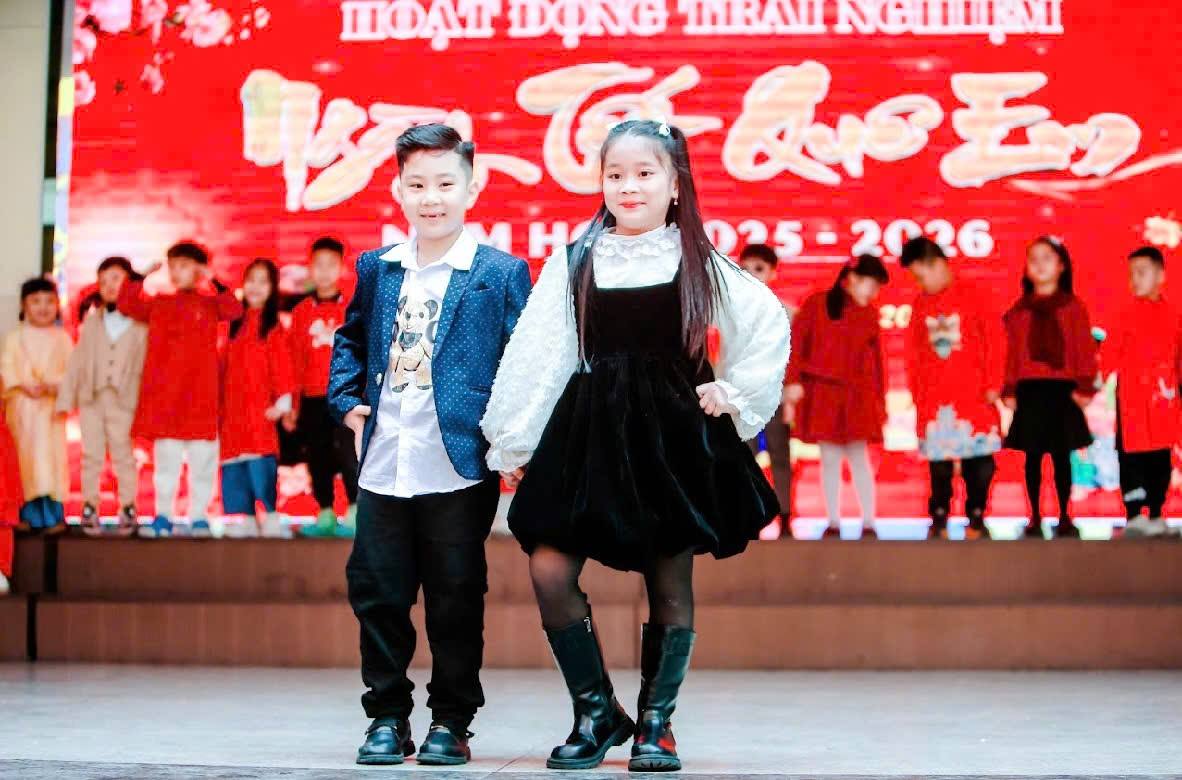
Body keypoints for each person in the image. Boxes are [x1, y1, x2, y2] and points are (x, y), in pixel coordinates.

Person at [482, 119, 790, 772]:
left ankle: (657, 723)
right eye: (615, 174)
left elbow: (765, 321)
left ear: (675, 184)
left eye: (645, 173)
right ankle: (597, 712)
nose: (630, 186)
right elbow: (541, 353)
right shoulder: (576, 259)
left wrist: (734, 391)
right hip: (589, 430)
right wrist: (517, 439)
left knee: (668, 575)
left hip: (671, 435)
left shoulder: (698, 259)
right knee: (549, 566)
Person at [328, 124, 531, 767]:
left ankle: (451, 720)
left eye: (445, 183)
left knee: (455, 595)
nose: (431, 198)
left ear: (472, 187)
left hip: (458, 462)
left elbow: (522, 364)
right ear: (398, 189)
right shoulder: (378, 266)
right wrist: (346, 400)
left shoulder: (499, 272)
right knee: (377, 593)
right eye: (417, 185)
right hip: (384, 460)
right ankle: (386, 717)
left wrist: (515, 443)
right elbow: (350, 339)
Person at [118, 241, 244, 538]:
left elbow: (234, 309)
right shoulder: (160, 304)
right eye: (173, 266)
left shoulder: (210, 304)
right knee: (166, 467)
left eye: (184, 266)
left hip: (201, 399)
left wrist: (212, 279)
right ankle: (163, 516)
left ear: (199, 270)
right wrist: (141, 275)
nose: (176, 272)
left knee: (203, 465)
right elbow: (127, 304)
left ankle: (198, 517)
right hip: (167, 400)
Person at [900, 237, 1003, 540]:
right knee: (939, 465)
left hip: (974, 394)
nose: (921, 284)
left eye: (921, 276)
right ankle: (939, 517)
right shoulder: (920, 304)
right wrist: (916, 392)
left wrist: (994, 382)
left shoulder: (975, 295)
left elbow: (995, 340)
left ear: (938, 264)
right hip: (935, 399)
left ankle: (976, 517)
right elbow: (914, 353)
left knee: (979, 461)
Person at [783, 255, 887, 539]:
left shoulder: (870, 313)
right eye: (872, 285)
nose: (874, 293)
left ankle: (869, 522)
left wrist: (881, 401)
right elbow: (796, 346)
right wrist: (792, 382)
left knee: (859, 459)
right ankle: (833, 521)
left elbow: (878, 363)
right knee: (829, 459)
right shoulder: (816, 305)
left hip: (858, 396)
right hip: (824, 394)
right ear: (851, 279)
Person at [1002, 236, 1097, 540]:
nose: (1040, 265)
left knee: (1061, 456)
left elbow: (1084, 349)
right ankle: (1034, 517)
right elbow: (1011, 353)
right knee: (1032, 457)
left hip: (1062, 390)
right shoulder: (1018, 311)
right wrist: (1009, 388)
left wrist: (1085, 385)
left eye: (1047, 258)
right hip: (1030, 389)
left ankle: (1065, 516)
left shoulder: (1073, 307)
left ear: (1061, 266)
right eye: (1033, 259)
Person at [57, 257, 148, 537]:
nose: (109, 286)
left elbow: (147, 365)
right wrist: (65, 399)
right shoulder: (93, 322)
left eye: (116, 279)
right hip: (92, 399)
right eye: (104, 280)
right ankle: (90, 506)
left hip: (124, 399)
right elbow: (77, 362)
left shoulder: (141, 324)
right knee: (91, 455)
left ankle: (128, 506)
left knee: (123, 455)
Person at [1101, 246, 1182, 538]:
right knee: (1131, 456)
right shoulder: (1124, 315)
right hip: (1132, 401)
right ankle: (1135, 514)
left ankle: (1157, 512)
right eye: (1131, 274)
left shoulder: (1174, 316)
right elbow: (1108, 354)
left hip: (1163, 401)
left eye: (1141, 272)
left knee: (1160, 456)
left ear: (1161, 276)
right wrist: (1095, 382)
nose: (1135, 279)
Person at [220, 258, 296, 538]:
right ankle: (247, 519)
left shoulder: (273, 326)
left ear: (272, 288)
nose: (255, 287)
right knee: (235, 465)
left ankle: (272, 516)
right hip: (232, 412)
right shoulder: (231, 324)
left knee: (260, 464)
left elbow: (283, 364)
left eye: (263, 282)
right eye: (251, 280)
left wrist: (283, 402)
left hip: (259, 410)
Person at [290, 236, 359, 537]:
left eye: (331, 264)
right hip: (313, 396)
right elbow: (295, 359)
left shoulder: (355, 307)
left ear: (342, 268)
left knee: (350, 453)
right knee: (317, 455)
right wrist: (293, 404)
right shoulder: (301, 311)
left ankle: (356, 513)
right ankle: (325, 514)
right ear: (310, 268)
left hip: (347, 397)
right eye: (319, 264)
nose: (325, 271)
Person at [1, 278, 72, 533]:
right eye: (36, 301)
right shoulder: (14, 338)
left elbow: (73, 373)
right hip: (22, 409)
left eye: (49, 301)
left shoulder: (63, 339)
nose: (43, 307)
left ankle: (52, 518)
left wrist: (54, 386)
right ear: (24, 305)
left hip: (50, 410)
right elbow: (6, 369)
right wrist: (23, 385)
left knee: (50, 464)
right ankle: (23, 515)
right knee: (23, 463)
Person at [738, 243, 794, 533]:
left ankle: (785, 515)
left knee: (779, 456)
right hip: (741, 399)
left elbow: (793, 359)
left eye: (758, 269)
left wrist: (791, 395)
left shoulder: (786, 312)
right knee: (745, 459)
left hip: (775, 397)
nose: (751, 274)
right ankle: (750, 517)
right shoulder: (729, 310)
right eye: (745, 268)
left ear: (773, 272)